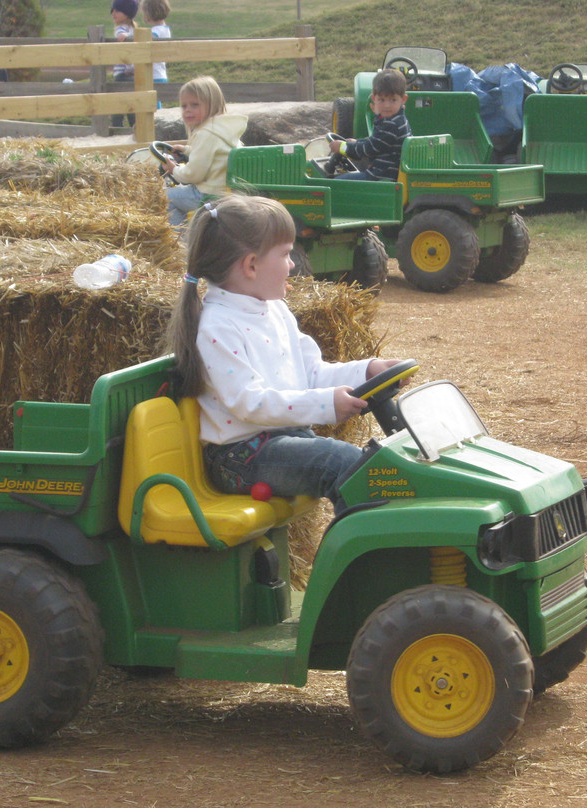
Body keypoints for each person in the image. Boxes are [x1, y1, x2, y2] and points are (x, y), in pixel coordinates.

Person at [164, 195, 409, 511]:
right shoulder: (218, 326)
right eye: (285, 254)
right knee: (345, 464)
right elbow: (250, 403)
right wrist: (324, 404)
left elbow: (313, 374)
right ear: (251, 265)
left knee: (377, 462)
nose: (292, 264)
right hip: (241, 457)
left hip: (280, 438)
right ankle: (358, 556)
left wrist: (367, 370)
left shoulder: (275, 310)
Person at [161, 76, 247, 230]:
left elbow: (193, 175)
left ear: (212, 104)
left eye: (194, 105)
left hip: (209, 194)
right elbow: (215, 155)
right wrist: (187, 150)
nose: (188, 110)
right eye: (184, 106)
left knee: (166, 198)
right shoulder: (222, 129)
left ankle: (180, 246)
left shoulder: (205, 133)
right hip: (227, 191)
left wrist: (174, 170)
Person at [328, 69, 411, 182]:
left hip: (382, 177)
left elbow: (369, 149)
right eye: (382, 100)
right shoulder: (396, 119)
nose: (387, 105)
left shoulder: (391, 124)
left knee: (335, 184)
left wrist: (343, 147)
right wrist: (357, 142)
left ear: (403, 99)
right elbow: (376, 141)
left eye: (392, 100)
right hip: (384, 173)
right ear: (374, 99)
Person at [109, 0, 138, 128]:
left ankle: (117, 128)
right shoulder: (134, 29)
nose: (113, 13)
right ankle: (135, 128)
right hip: (133, 73)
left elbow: (121, 36)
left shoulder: (122, 29)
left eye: (117, 11)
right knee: (131, 104)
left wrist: (124, 37)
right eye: (112, 11)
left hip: (122, 73)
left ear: (126, 13)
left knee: (118, 105)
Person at [140, 0, 171, 86]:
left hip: (153, 75)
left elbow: (143, 46)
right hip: (161, 73)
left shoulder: (155, 32)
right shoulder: (165, 29)